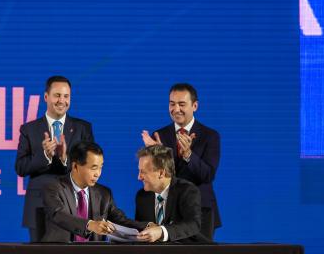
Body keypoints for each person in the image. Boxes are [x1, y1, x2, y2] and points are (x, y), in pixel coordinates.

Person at [15, 75, 94, 241]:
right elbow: (20, 167)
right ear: (46, 97)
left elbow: (90, 167)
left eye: (66, 96)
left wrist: (66, 159)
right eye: (57, 95)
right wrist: (45, 156)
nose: (62, 101)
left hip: (73, 204)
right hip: (38, 206)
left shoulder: (83, 128)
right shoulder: (29, 129)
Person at [141, 83, 221, 240]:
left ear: (195, 106)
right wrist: (159, 154)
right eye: (172, 104)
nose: (176, 109)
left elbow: (207, 176)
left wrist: (189, 155)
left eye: (182, 104)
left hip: (200, 211)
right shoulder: (160, 135)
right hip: (167, 209)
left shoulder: (210, 136)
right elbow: (161, 177)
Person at [42, 141, 148, 242]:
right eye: (94, 168)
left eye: (100, 168)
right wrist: (90, 224)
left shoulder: (104, 193)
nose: (98, 174)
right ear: (75, 166)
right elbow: (58, 215)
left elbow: (121, 221)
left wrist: (147, 226)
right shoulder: (53, 187)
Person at [135, 145, 203, 242]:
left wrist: (162, 232)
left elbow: (193, 224)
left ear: (161, 173)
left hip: (187, 253)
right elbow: (140, 230)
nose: (139, 177)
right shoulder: (142, 196)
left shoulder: (187, 191)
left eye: (143, 172)